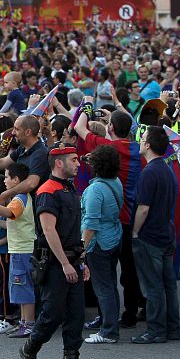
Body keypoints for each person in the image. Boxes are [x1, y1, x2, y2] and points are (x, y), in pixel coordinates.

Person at [19, 143, 98, 359]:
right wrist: (65, 264)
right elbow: (48, 230)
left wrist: (80, 261)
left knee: (75, 316)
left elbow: (73, 230)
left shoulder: (69, 188)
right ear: (59, 163)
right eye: (74, 160)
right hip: (55, 263)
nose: (78, 163)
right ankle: (29, 349)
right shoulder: (48, 191)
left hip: (71, 260)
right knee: (52, 314)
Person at [75, 106, 146, 328]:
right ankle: (131, 312)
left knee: (104, 276)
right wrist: (113, 121)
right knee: (129, 270)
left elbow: (78, 127)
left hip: (109, 217)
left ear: (111, 128)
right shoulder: (138, 150)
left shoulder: (108, 148)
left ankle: (107, 320)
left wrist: (87, 107)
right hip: (132, 216)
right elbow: (131, 131)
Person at [131, 126, 180, 344]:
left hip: (150, 235)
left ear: (149, 145)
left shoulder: (149, 172)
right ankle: (171, 327)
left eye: (143, 139)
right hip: (166, 232)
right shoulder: (167, 169)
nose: (140, 141)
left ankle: (156, 329)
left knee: (152, 285)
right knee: (168, 284)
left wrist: (135, 231)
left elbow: (143, 208)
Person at [0, 163, 36, 338]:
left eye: (6, 177)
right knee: (18, 288)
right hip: (17, 248)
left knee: (23, 286)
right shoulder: (19, 198)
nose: (4, 180)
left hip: (23, 248)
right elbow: (10, 222)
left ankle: (29, 323)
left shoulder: (20, 197)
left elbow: (10, 213)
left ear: (16, 179)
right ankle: (23, 321)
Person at [82, 145, 123, 344]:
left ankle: (108, 331)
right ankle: (110, 323)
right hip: (114, 236)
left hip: (98, 242)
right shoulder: (116, 182)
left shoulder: (94, 189)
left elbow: (90, 223)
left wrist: (82, 247)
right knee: (110, 285)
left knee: (103, 287)